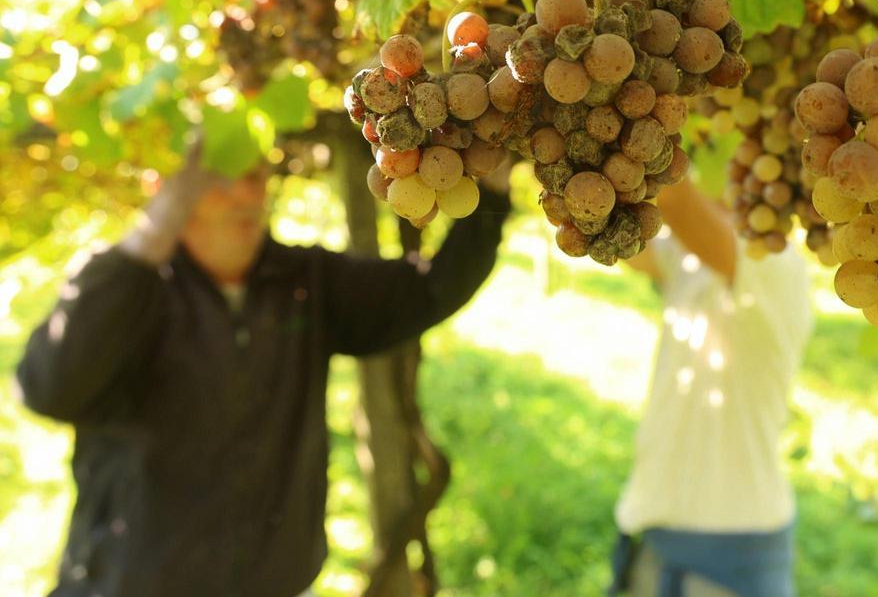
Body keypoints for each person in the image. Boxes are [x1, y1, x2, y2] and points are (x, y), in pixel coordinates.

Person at [15, 145, 511, 597]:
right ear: (169, 188)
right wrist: (150, 233)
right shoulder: (127, 288)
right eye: (220, 175)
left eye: (256, 175)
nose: (247, 192)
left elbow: (431, 290)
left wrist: (490, 185)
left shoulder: (304, 279)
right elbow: (47, 388)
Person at [612, 176, 813, 597]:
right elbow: (619, 239)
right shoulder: (693, 260)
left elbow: (673, 194)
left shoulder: (775, 263)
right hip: (661, 531)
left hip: (729, 553)